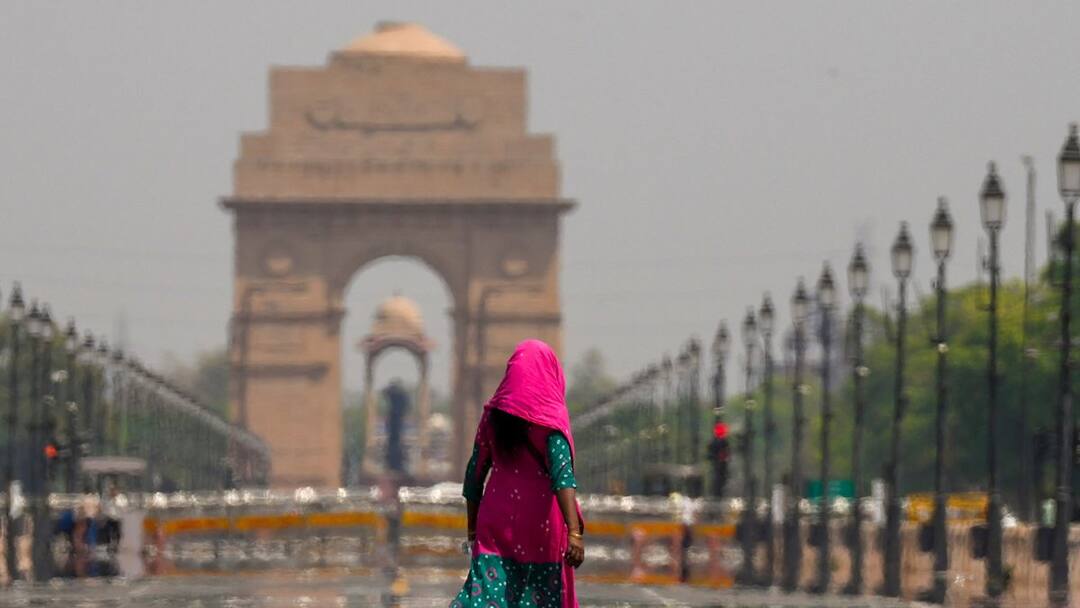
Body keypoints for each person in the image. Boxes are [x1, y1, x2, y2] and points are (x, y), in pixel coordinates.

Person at [451, 340, 585, 608]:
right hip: (541, 529)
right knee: (537, 599)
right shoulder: (550, 423)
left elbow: (473, 477)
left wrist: (472, 530)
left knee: (487, 595)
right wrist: (574, 533)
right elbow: (563, 477)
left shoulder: (492, 419)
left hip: (495, 523)